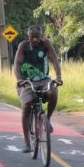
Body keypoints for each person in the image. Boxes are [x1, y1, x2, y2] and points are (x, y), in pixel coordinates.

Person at [14, 25, 63, 153]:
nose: (35, 40)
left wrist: (58, 77)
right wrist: (19, 79)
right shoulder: (23, 46)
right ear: (28, 37)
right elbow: (17, 64)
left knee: (53, 92)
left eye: (37, 37)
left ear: (41, 36)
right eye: (32, 37)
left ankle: (48, 119)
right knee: (27, 105)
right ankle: (26, 142)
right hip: (27, 82)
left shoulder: (46, 44)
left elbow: (54, 60)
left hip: (44, 80)